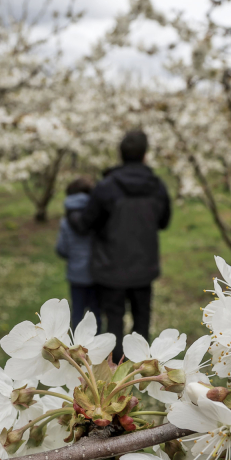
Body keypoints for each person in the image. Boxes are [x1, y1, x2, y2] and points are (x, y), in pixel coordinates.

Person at [68, 130, 171, 361]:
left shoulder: (106, 187)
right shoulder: (157, 186)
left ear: (121, 154)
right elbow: (164, 222)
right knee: (141, 319)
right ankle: (139, 367)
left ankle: (115, 370)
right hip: (143, 268)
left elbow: (85, 223)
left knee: (114, 319)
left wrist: (72, 213)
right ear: (145, 155)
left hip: (110, 268)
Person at [55, 176, 100, 327]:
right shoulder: (98, 215)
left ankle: (74, 347)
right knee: (95, 313)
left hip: (76, 274)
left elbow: (61, 249)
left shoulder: (66, 221)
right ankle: (99, 348)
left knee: (77, 312)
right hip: (96, 272)